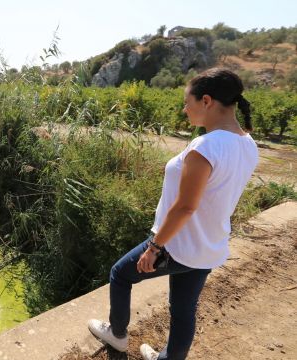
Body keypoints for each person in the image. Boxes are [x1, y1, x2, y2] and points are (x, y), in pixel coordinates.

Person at [87, 68, 259, 360]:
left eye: (187, 101)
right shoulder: (247, 143)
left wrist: (155, 247)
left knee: (120, 274)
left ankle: (116, 335)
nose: (183, 108)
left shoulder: (206, 146)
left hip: (177, 245)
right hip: (210, 245)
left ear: (206, 101)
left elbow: (185, 206)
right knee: (183, 310)